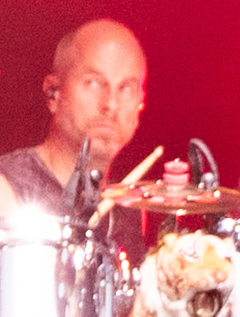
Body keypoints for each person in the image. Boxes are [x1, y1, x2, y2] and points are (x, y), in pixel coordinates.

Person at [0, 21, 148, 215]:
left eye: (126, 88)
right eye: (93, 83)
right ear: (53, 93)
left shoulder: (129, 206)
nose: (111, 104)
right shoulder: (6, 188)